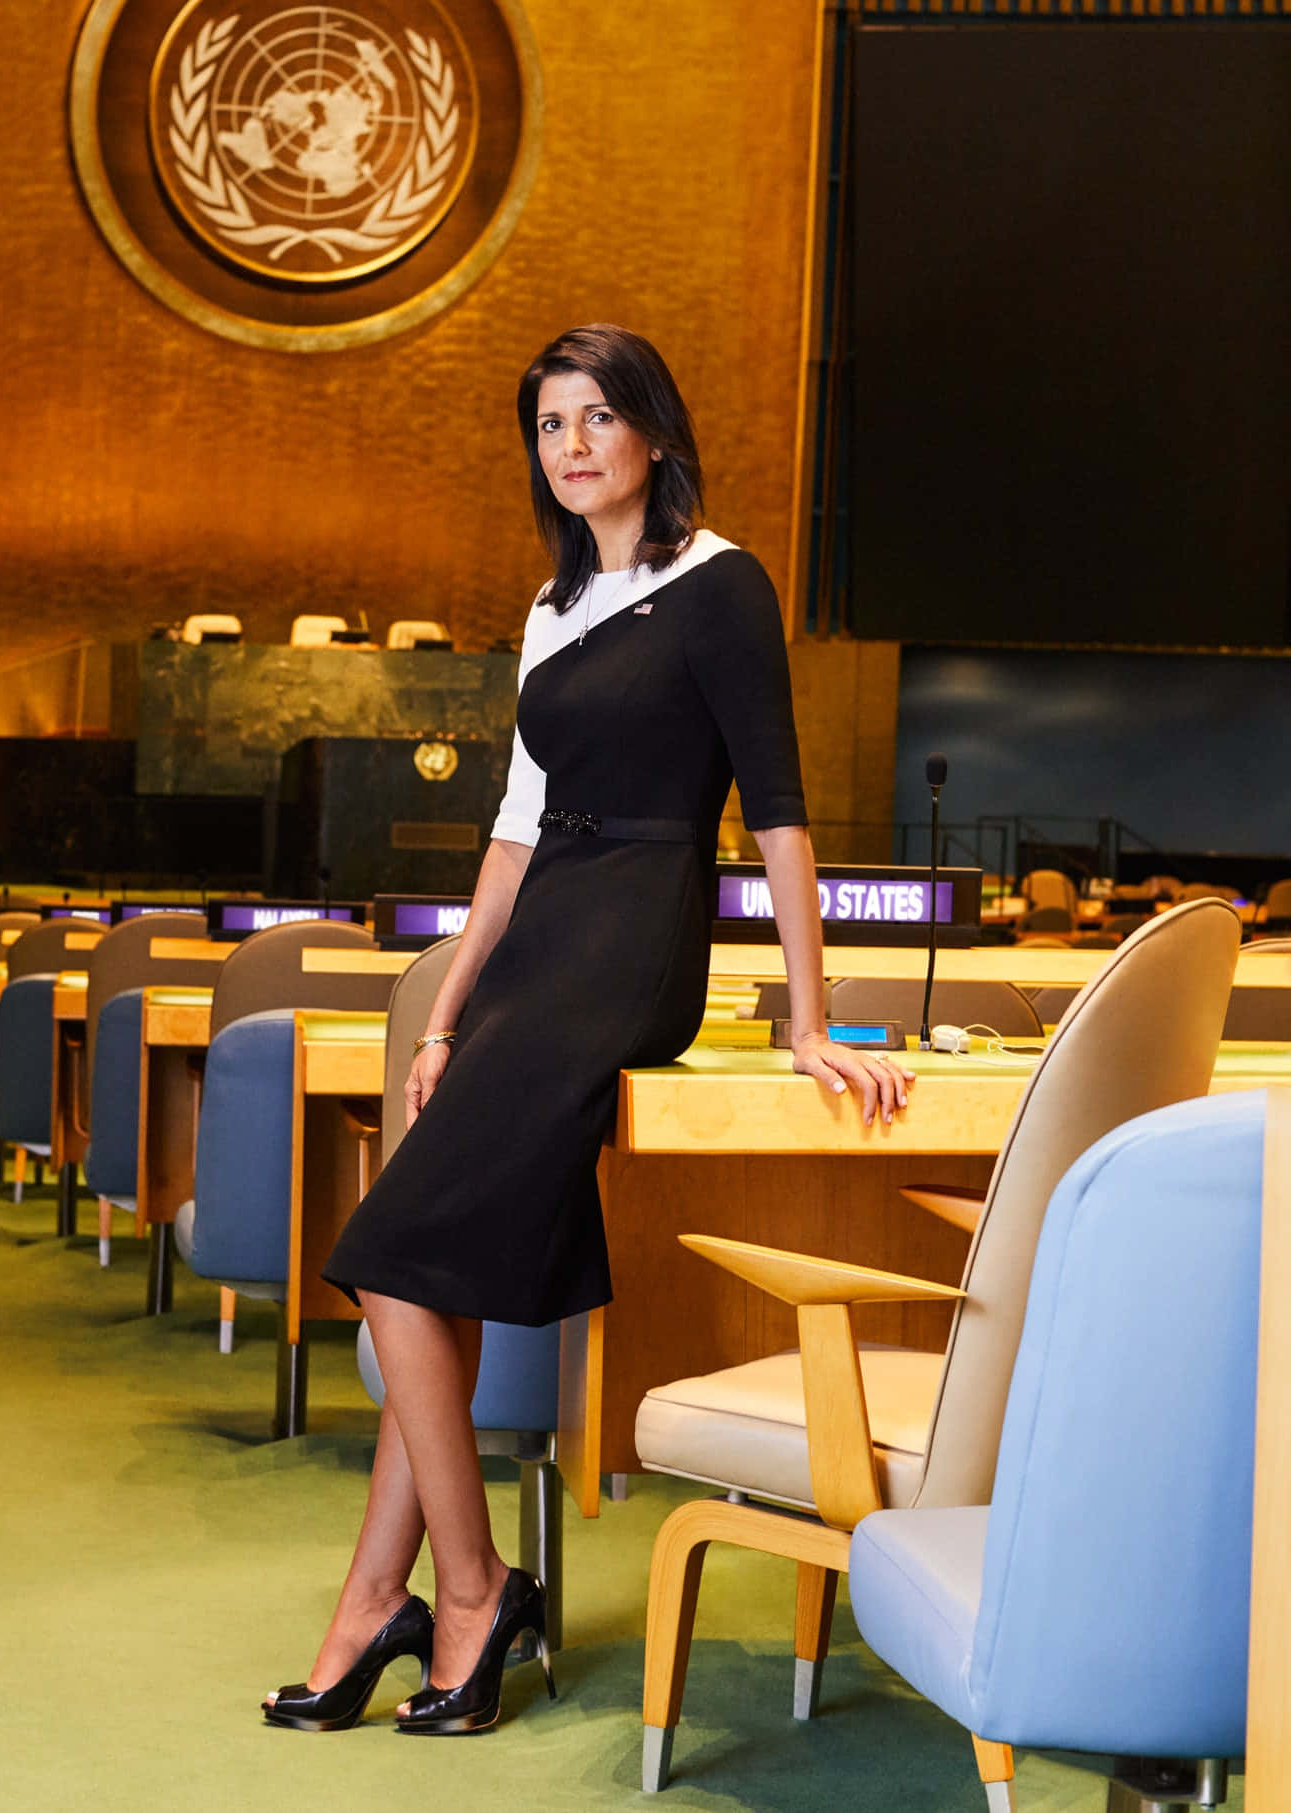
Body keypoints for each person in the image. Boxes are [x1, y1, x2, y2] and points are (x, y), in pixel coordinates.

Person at [262, 324, 914, 1737]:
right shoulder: (550, 607)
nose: (572, 443)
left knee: (382, 1253)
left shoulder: (722, 583)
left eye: (598, 416)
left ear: (654, 435)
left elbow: (781, 810)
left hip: (636, 937)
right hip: (537, 940)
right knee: (426, 1263)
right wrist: (446, 1001)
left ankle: (477, 1585)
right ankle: (381, 1597)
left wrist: (808, 1019)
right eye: (551, 423)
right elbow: (510, 831)